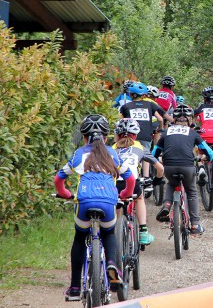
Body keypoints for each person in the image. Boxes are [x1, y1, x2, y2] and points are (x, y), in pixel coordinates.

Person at [54, 114, 133, 300]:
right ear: (106, 137)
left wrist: (65, 193)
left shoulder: (78, 154)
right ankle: (112, 264)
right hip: (108, 202)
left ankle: (74, 288)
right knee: (108, 233)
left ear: (84, 137)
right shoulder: (112, 154)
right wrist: (125, 195)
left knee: (80, 238)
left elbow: (59, 179)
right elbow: (130, 179)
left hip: (84, 202)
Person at [152, 104, 213, 235]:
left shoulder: (166, 133)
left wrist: (158, 160)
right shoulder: (193, 133)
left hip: (169, 166)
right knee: (192, 191)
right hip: (187, 166)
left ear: (173, 120)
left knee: (171, 183)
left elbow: (154, 153)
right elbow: (209, 151)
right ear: (190, 120)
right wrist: (207, 158)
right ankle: (195, 225)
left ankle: (167, 205)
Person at [113, 118, 165, 245]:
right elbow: (160, 168)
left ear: (117, 135)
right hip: (132, 183)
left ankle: (114, 231)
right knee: (139, 198)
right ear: (136, 135)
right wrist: (157, 179)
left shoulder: (112, 148)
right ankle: (143, 231)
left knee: (116, 204)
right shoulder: (140, 148)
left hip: (115, 184)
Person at [120, 82, 173, 179]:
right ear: (144, 95)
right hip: (146, 135)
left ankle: (130, 175)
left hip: (131, 135)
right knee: (145, 155)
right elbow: (161, 119)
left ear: (130, 95)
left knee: (130, 152)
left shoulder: (126, 107)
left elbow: (120, 121)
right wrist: (160, 128)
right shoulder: (150, 104)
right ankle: (146, 177)